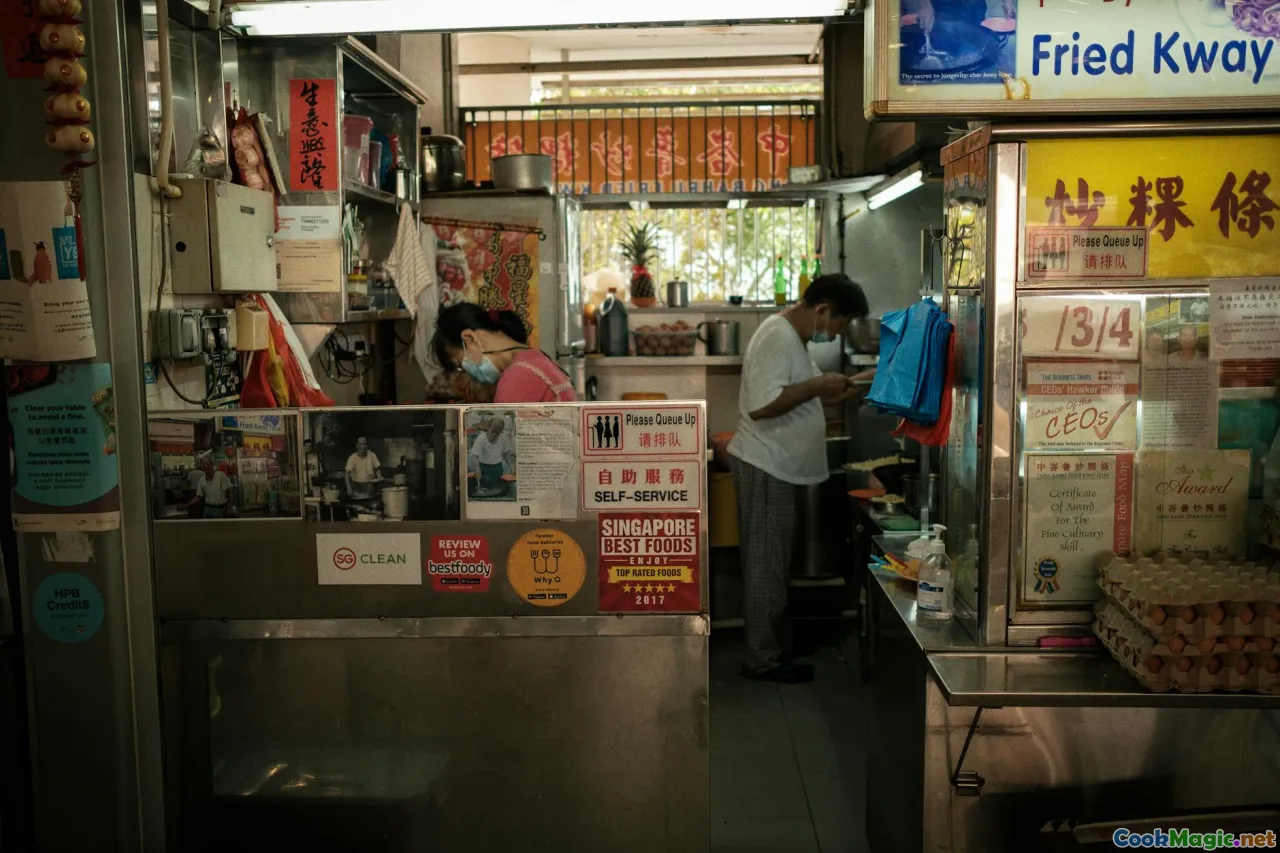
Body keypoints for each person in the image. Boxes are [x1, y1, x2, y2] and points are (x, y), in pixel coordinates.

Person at [729, 274, 874, 684]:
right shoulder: (777, 335)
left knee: (775, 562)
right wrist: (816, 385)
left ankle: (778, 644)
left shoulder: (794, 339)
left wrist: (851, 384)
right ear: (822, 309)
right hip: (764, 463)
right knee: (764, 566)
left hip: (777, 465)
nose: (836, 333)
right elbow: (763, 406)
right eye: (839, 324)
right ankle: (762, 659)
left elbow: (809, 392)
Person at [433, 302, 578, 403]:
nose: (467, 371)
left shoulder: (517, 376)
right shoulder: (534, 358)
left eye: (461, 363)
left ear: (469, 338)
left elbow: (503, 445)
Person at [469, 417, 513, 492]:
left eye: (498, 432)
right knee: (485, 489)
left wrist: (511, 466)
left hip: (497, 468)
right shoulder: (481, 439)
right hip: (484, 468)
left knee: (497, 489)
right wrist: (477, 468)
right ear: (489, 427)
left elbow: (506, 454)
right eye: (493, 431)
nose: (495, 434)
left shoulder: (503, 438)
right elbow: (475, 456)